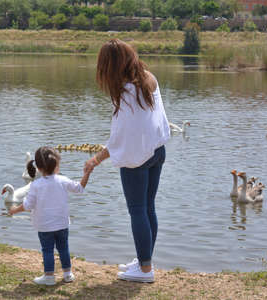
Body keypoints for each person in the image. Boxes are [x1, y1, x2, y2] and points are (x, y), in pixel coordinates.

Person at [84, 39, 170, 283]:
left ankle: (145, 270)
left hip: (138, 159)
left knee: (137, 211)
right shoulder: (148, 79)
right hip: (157, 152)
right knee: (148, 208)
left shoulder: (127, 94)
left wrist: (94, 160)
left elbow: (119, 140)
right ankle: (145, 261)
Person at [10, 146, 93, 285]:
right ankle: (68, 274)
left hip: (44, 226)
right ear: (56, 165)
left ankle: (49, 276)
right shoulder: (63, 180)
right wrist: (87, 173)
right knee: (63, 248)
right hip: (62, 224)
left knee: (47, 250)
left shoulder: (35, 185)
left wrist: (14, 210)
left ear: (39, 168)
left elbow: (27, 206)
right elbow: (79, 188)